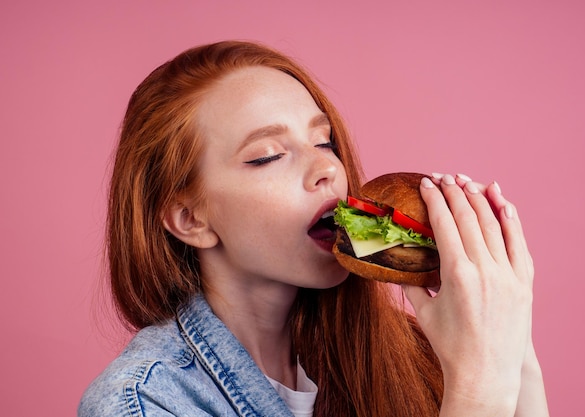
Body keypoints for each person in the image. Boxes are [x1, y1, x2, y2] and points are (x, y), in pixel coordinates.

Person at [79, 40, 549, 417]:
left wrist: (512, 346)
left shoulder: (399, 352)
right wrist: (477, 391)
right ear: (191, 219)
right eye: (267, 155)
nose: (326, 167)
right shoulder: (143, 402)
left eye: (324, 141)